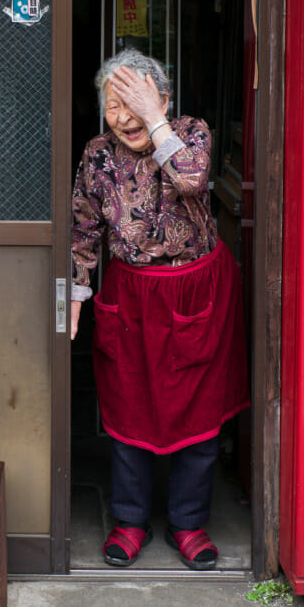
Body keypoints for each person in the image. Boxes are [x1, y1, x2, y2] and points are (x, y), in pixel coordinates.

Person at [70, 48, 248, 570]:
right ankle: (128, 520)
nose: (122, 117)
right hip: (131, 293)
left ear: (162, 99)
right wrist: (77, 293)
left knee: (197, 409)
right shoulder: (97, 153)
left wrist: (156, 119)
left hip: (195, 290)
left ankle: (189, 524)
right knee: (128, 405)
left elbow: (192, 180)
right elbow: (84, 225)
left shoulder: (190, 133)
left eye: (132, 102)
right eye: (111, 105)